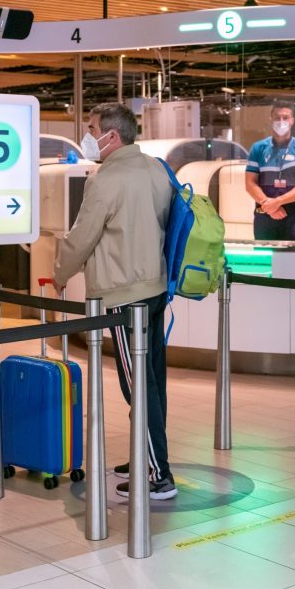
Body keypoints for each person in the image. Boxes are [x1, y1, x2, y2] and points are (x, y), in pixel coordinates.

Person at [52, 103, 177, 500]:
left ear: (112, 136)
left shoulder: (106, 179)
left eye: (92, 129)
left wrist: (59, 274)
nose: (89, 136)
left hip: (125, 297)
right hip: (155, 290)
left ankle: (159, 475)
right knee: (152, 381)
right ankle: (147, 455)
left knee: (136, 386)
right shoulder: (156, 169)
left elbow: (82, 235)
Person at [245, 103, 295, 241]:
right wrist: (270, 206)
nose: (281, 121)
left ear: (292, 121)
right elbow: (250, 184)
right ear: (271, 119)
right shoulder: (258, 148)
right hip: (264, 210)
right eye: (277, 117)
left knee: (293, 258)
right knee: (264, 259)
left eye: (285, 117)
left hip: (293, 213)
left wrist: (277, 202)